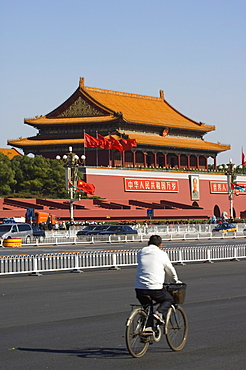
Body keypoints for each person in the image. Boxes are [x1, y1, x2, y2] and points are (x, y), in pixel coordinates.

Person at [135, 235, 181, 325]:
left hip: (139, 288)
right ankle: (159, 313)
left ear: (148, 243)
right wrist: (176, 281)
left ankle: (147, 332)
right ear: (160, 245)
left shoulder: (140, 252)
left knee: (147, 308)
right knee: (169, 299)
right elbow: (170, 270)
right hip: (155, 288)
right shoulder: (162, 254)